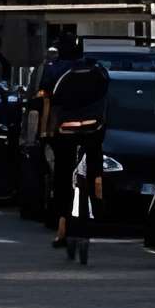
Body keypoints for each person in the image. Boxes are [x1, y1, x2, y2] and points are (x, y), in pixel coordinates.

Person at [33, 31, 110, 260]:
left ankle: (62, 228)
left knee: (63, 179)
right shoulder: (96, 68)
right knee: (95, 169)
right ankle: (98, 198)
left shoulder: (54, 69)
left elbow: (45, 100)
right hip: (92, 130)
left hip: (64, 131)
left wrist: (44, 135)